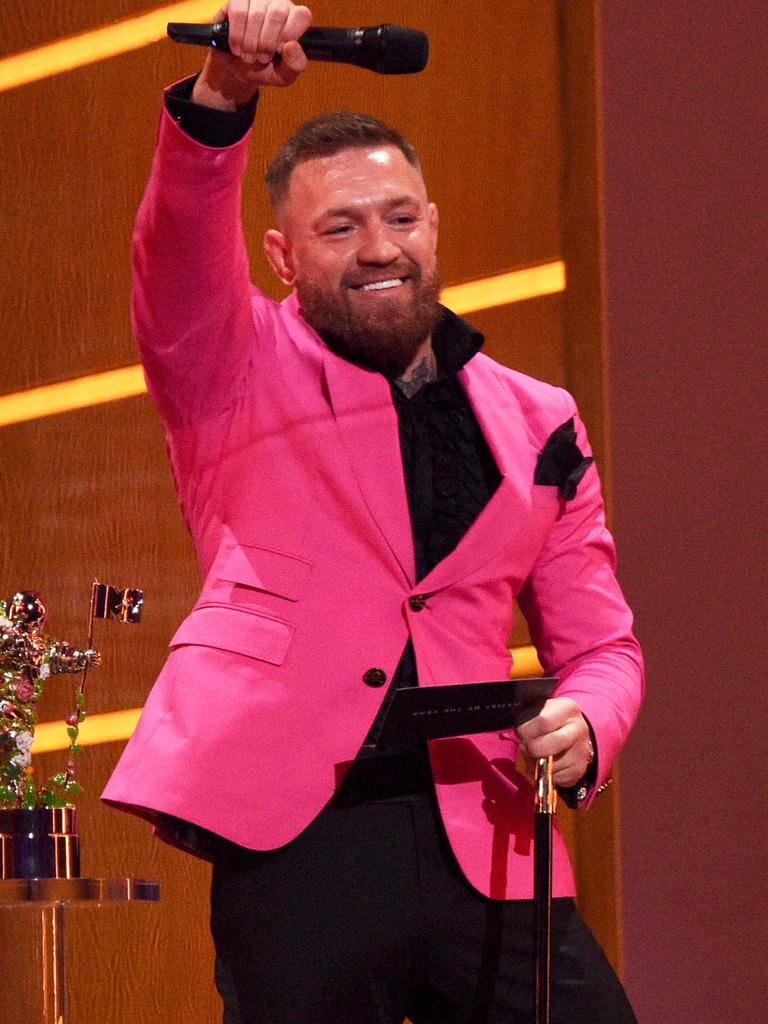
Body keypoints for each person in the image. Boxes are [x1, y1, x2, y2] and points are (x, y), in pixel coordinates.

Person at [103, 2, 643, 1021]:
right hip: (300, 829)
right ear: (281, 256)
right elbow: (174, 249)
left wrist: (588, 722)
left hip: (484, 826)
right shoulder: (230, 363)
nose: (378, 246)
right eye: (339, 228)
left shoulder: (538, 417)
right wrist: (223, 95)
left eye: (399, 216)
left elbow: (604, 646)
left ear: (433, 225)